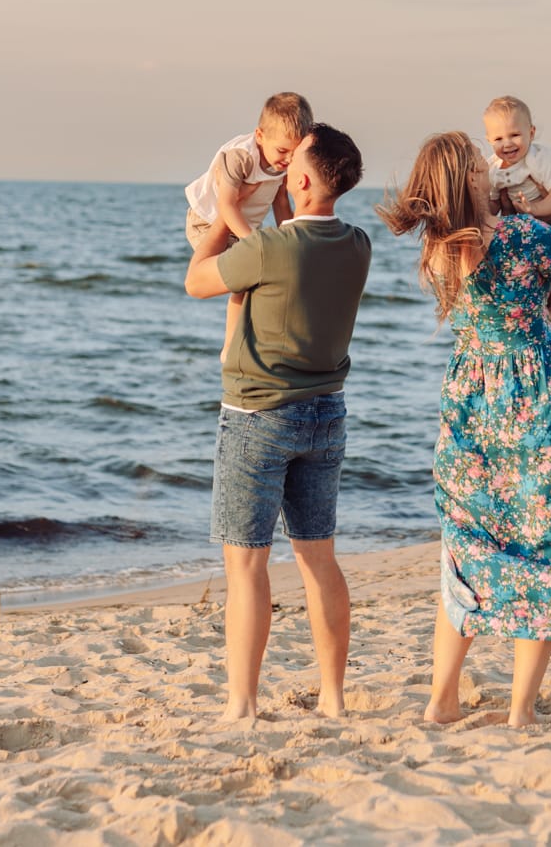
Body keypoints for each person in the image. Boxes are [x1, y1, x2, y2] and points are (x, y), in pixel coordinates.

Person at [378, 131, 551, 729]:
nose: (493, 171)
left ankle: (441, 700)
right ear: (472, 180)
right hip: (539, 396)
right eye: (482, 167)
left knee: (468, 549)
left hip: (471, 400)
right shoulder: (527, 236)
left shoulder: (440, 246)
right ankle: (521, 710)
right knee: (546, 545)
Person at [185, 124, 372, 721]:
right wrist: (269, 210)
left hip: (256, 416)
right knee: (319, 559)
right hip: (326, 415)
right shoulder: (358, 244)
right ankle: (334, 698)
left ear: (304, 177)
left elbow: (197, 280)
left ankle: (242, 702)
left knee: (246, 565)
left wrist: (226, 207)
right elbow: (296, 236)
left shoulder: (269, 250)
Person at [185, 92, 314, 361]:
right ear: (259, 135)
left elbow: (281, 203)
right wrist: (253, 241)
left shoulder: (283, 163)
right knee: (244, 276)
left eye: (295, 152)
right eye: (282, 151)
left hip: (242, 229)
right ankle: (230, 346)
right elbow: (228, 205)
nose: (289, 159)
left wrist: (293, 239)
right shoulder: (239, 158)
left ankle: (250, 339)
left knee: (255, 277)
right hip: (206, 221)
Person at [484, 94, 551, 325]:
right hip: (517, 226)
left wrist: (534, 208)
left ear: (531, 133)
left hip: (549, 219)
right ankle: (527, 306)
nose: (507, 144)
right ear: (489, 140)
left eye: (515, 135)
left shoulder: (540, 159)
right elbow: (493, 204)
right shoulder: (492, 168)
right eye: (499, 138)